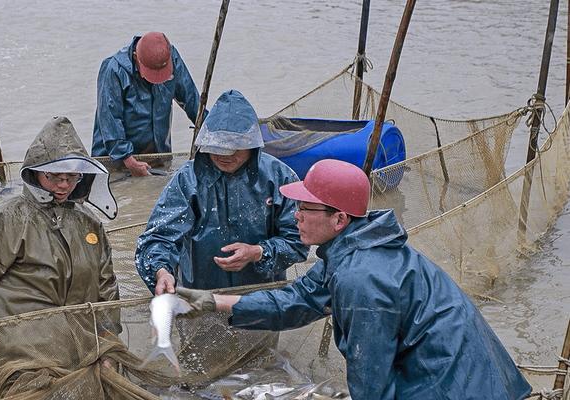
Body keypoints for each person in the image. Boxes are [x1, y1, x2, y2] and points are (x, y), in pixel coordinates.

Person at [176, 159, 533, 400]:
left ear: (340, 219)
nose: (295, 216)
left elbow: (370, 379)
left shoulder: (362, 279)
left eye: (305, 208)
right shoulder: (356, 248)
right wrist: (212, 303)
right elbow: (297, 301)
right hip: (469, 375)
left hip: (458, 387)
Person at [0, 116, 123, 399]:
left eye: (71, 177)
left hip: (84, 351)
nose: (63, 186)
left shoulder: (89, 224)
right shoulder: (6, 217)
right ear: (34, 173)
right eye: (54, 177)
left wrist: (109, 342)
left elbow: (107, 289)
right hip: (24, 355)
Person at [135, 89, 308, 295]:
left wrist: (258, 252)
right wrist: (161, 271)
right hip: (200, 298)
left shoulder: (280, 177)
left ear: (251, 145)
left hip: (263, 299)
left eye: (233, 149)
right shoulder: (188, 180)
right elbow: (158, 239)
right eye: (215, 147)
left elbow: (298, 242)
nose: (223, 155)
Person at [92, 31, 201, 177]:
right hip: (115, 159)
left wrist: (211, 133)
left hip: (157, 154)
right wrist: (128, 159)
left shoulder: (170, 57)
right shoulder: (114, 69)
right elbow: (109, 120)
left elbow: (192, 100)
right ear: (136, 57)